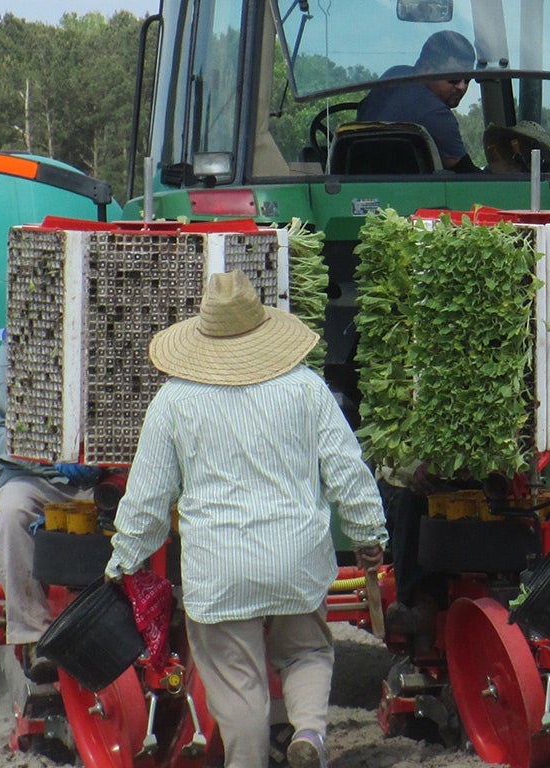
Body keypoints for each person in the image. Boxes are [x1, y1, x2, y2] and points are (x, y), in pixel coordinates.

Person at [105, 271, 388, 768]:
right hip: (296, 557)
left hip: (219, 567)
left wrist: (123, 561)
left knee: (239, 683)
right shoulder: (305, 388)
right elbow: (347, 468)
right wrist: (368, 535)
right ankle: (309, 733)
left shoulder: (175, 400)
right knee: (306, 652)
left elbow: (147, 497)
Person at [0, 330, 100, 681]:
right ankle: (35, 636)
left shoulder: (114, 347)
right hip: (35, 479)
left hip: (103, 480)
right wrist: (47, 458)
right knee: (11, 516)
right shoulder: (12, 351)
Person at [355, 30, 478, 173]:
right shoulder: (436, 114)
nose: (462, 86)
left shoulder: (394, 75)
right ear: (425, 68)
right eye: (454, 77)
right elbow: (467, 175)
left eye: (467, 78)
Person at [482, 120, 550, 174]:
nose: (526, 147)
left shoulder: (545, 174)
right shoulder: (495, 170)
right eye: (516, 141)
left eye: (532, 144)